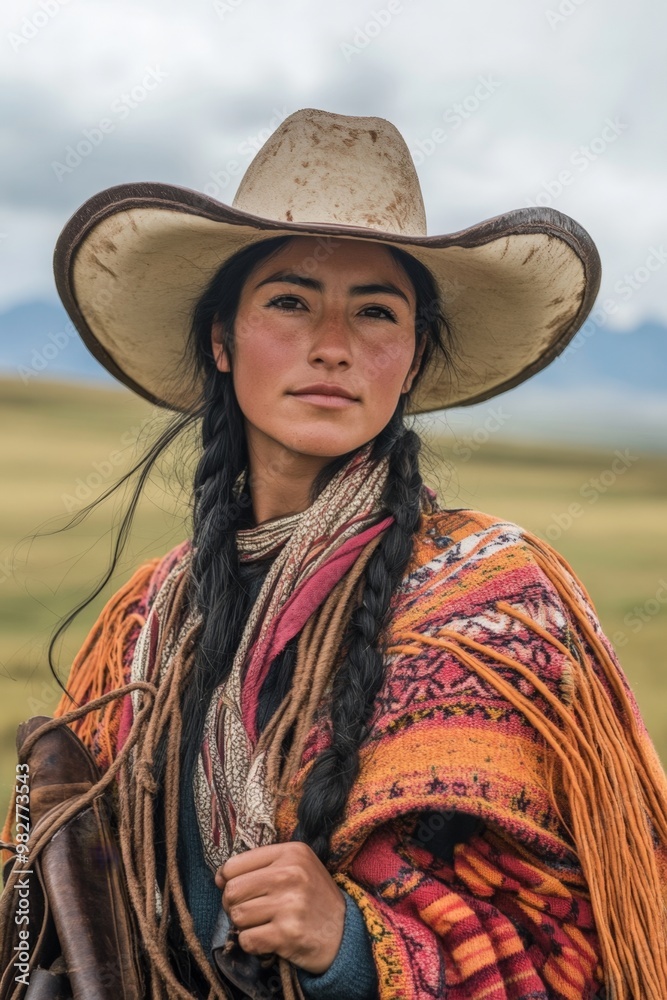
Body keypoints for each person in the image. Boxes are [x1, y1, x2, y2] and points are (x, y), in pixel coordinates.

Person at [3, 108, 667, 1000]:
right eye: (289, 301)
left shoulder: (499, 603)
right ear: (220, 338)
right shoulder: (146, 618)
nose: (332, 347)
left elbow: (578, 947)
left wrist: (350, 944)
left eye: (375, 312)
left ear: (414, 354)